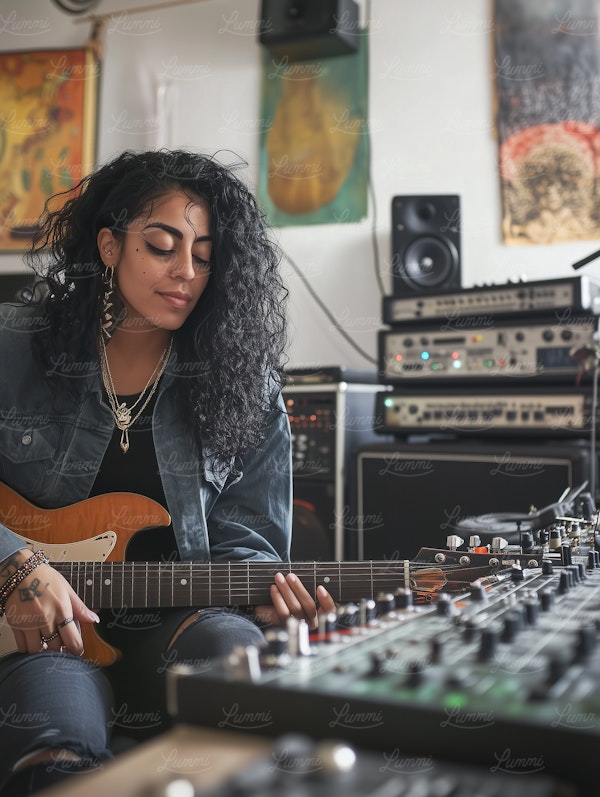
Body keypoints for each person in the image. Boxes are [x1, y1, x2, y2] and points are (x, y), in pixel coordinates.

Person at [0, 148, 335, 795]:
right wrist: (15, 562)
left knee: (249, 673)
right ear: (108, 245)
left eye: (204, 255)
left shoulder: (245, 385)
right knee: (58, 756)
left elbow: (247, 543)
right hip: (46, 635)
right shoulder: (15, 344)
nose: (185, 271)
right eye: (161, 245)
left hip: (177, 623)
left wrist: (270, 597)